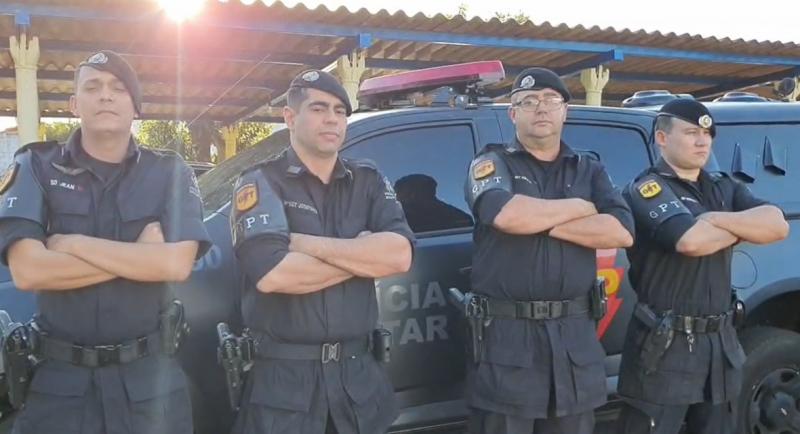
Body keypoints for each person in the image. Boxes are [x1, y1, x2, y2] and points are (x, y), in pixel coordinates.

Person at [0, 50, 211, 434]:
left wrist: (73, 243)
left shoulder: (169, 172)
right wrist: (141, 256)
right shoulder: (36, 166)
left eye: (118, 88)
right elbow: (29, 271)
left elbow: (176, 264)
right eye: (92, 87)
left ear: (136, 106)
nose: (106, 96)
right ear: (73, 103)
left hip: (150, 385)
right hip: (59, 388)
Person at [229, 69, 415, 434]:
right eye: (318, 108)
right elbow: (274, 274)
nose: (331, 118)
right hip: (285, 388)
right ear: (289, 118)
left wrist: (304, 243)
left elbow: (399, 256)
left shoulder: (369, 180)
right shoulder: (260, 181)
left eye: (339, 111)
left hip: (357, 381)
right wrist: (362, 254)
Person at [463, 67, 634, 434]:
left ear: (565, 111)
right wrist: (581, 207)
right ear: (513, 113)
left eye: (550, 100)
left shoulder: (589, 168)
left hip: (574, 339)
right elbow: (507, 216)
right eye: (528, 101)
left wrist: (540, 221)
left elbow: (621, 231)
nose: (540, 108)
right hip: (509, 341)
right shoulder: (492, 163)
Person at [616, 98, 789, 434]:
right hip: (664, 345)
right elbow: (690, 242)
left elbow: (778, 225)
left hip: (718, 345)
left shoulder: (722, 187)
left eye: (707, 135)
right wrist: (741, 229)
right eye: (691, 132)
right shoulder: (647, 188)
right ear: (662, 138)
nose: (702, 141)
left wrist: (713, 219)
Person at [394, 173, 473, 232]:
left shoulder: (397, 220)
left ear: (413, 195)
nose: (397, 199)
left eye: (400, 194)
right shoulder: (460, 218)